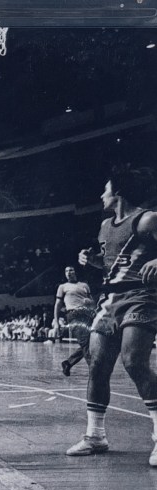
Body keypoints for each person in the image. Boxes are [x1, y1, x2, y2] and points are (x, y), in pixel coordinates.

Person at [67, 166, 157, 468]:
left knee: (133, 361)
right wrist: (92, 261)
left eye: (105, 189)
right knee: (97, 364)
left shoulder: (148, 219)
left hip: (141, 296)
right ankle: (95, 436)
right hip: (109, 300)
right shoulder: (105, 226)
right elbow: (113, 264)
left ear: (118, 192)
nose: (101, 195)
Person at [54, 266, 95, 376]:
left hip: (87, 315)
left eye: (71, 270)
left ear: (76, 272)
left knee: (90, 343)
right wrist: (56, 322)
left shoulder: (84, 285)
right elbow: (57, 305)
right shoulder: (62, 287)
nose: (68, 272)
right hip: (73, 315)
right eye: (66, 271)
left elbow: (92, 303)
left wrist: (90, 302)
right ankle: (94, 370)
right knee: (85, 342)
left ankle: (68, 363)